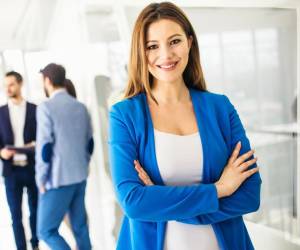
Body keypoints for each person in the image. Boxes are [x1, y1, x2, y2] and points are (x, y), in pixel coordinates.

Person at [108, 2, 262, 250]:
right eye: (152, 46)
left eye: (174, 41)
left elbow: (249, 195)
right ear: (141, 52)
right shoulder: (124, 115)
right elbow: (134, 202)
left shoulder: (220, 108)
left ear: (190, 42)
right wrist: (219, 189)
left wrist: (161, 202)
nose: (166, 55)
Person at [35, 63, 93, 250]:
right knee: (80, 228)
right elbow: (89, 144)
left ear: (48, 81)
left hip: (57, 179)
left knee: (45, 230)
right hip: (80, 175)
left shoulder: (46, 108)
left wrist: (41, 179)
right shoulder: (81, 107)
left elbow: (45, 148)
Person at [0, 71, 39, 250]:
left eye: (11, 84)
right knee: (15, 215)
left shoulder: (34, 109)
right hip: (11, 171)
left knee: (35, 212)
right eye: (5, 85)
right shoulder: (0, 113)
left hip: (32, 168)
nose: (7, 88)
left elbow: (41, 138)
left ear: (20, 84)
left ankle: (35, 244)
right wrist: (1, 152)